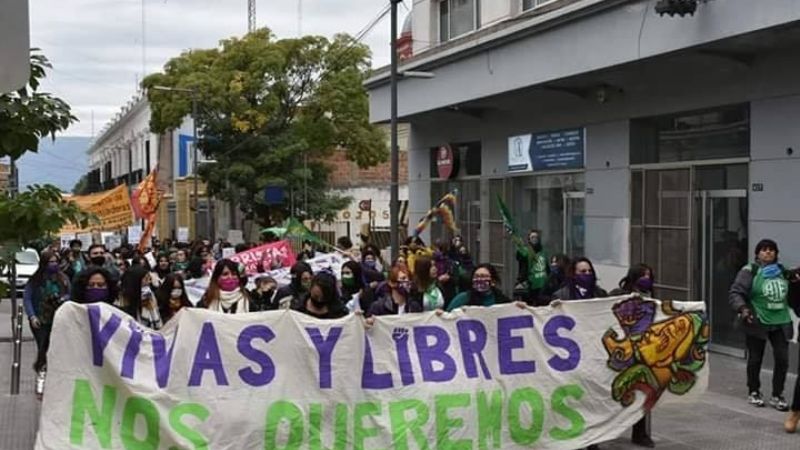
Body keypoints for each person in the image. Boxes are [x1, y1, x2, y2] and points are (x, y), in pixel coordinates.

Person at [729, 239, 799, 411]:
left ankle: (777, 395)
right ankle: (754, 391)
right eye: (764, 249)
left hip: (781, 321)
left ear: (776, 253)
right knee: (755, 358)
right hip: (758, 320)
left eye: (771, 250)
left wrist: (796, 281)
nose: (768, 252)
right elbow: (736, 292)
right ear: (757, 253)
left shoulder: (783, 271)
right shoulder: (750, 271)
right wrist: (743, 309)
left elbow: (793, 293)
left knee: (782, 360)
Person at [609, 264, 657, 448]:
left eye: (649, 275)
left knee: (642, 394)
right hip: (622, 352)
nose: (646, 279)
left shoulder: (652, 299)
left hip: (643, 354)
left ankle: (640, 433)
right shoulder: (618, 294)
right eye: (643, 275)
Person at [23, 251, 70, 397]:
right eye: (50, 262)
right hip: (41, 320)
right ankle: (41, 375)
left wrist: (63, 299)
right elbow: (27, 298)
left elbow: (70, 294)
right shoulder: (35, 280)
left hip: (58, 319)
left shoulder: (63, 278)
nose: (54, 264)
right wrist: (32, 316)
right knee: (43, 347)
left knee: (55, 349)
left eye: (55, 261)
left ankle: (54, 378)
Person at [446, 264, 511, 311]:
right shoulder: (463, 298)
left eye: (483, 276)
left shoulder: (502, 300)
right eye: (476, 276)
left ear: (493, 281)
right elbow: (447, 316)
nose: (479, 279)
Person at [117, 266, 163, 330]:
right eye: (146, 279)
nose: (149, 282)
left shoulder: (148, 293)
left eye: (149, 279)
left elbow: (155, 311)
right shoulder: (124, 298)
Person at [514, 229, 549, 306]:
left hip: (542, 285)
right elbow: (520, 256)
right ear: (529, 239)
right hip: (530, 285)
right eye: (532, 237)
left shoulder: (543, 252)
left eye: (536, 237)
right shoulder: (526, 251)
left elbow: (547, 267)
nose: (534, 239)